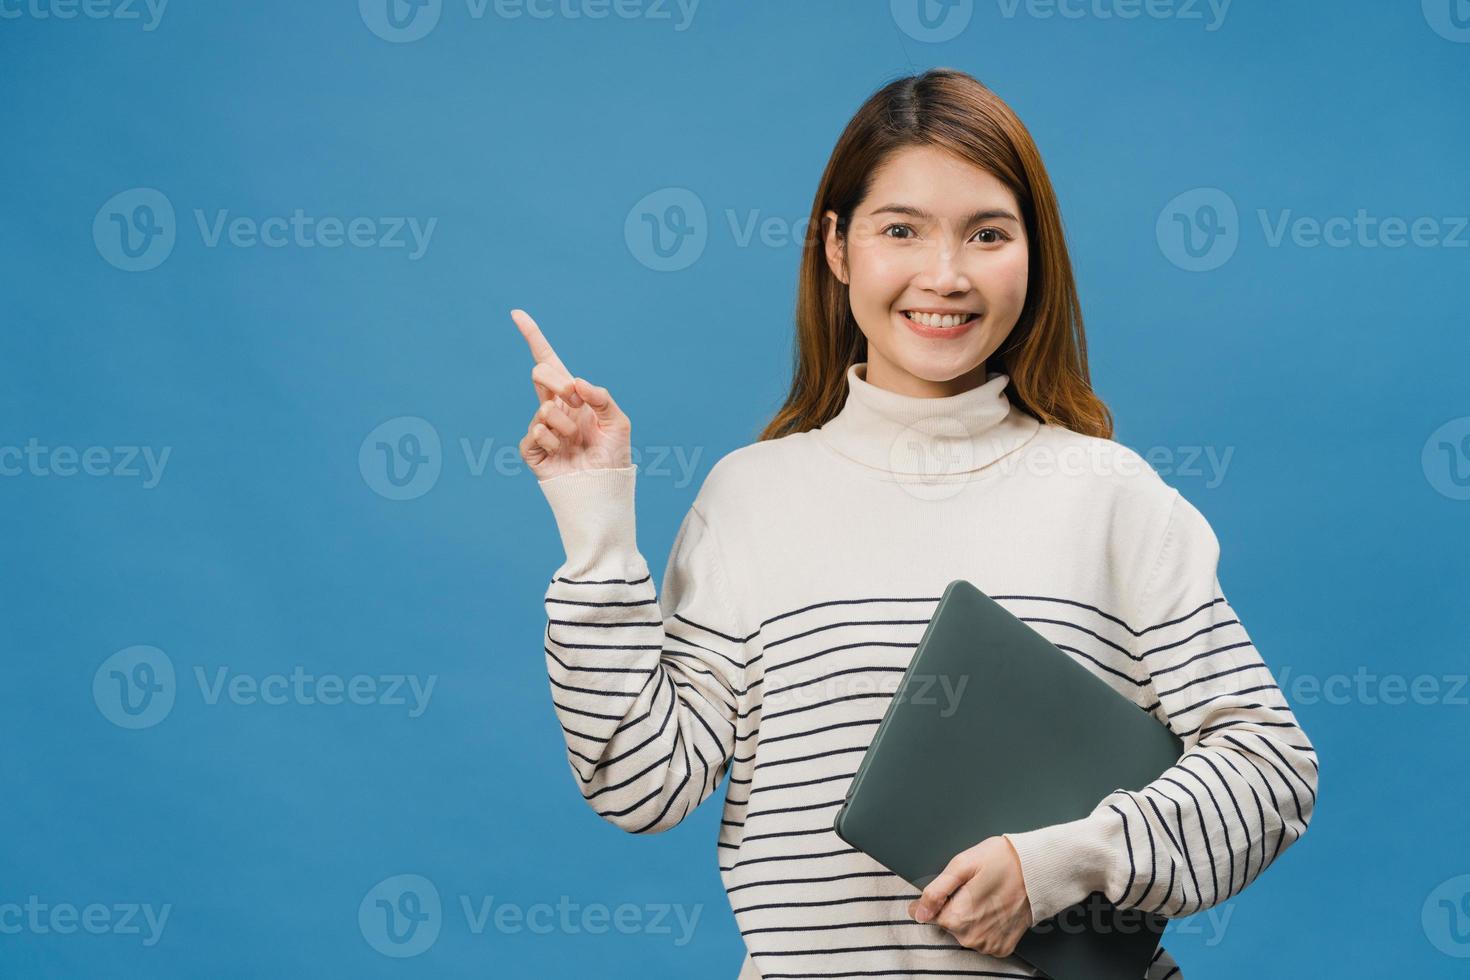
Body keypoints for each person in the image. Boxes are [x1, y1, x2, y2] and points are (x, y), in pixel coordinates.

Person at [515, 67, 1318, 980]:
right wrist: (596, 526)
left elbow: (1270, 770)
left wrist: (1057, 863)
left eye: (988, 234)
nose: (945, 275)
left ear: (1034, 254)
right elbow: (640, 784)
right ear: (837, 247)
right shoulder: (749, 497)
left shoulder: (1111, 495)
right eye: (901, 229)